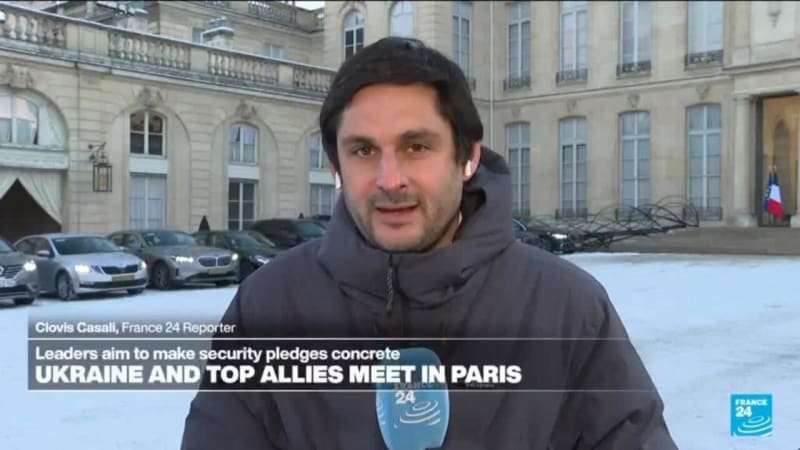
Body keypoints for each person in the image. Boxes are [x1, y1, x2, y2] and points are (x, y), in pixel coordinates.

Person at [181, 37, 677, 449]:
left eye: (416, 146)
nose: (389, 180)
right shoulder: (267, 306)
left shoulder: (567, 307)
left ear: (467, 158)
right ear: (336, 167)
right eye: (363, 150)